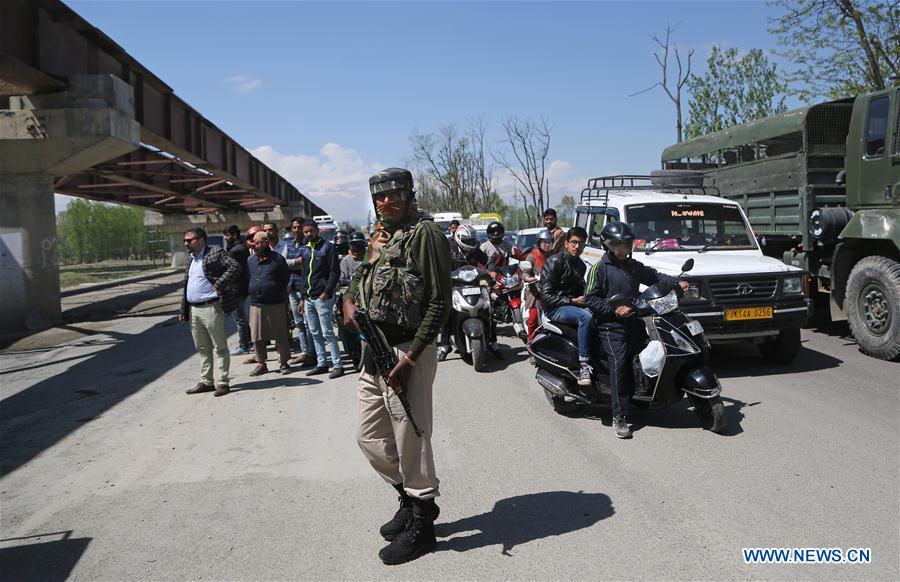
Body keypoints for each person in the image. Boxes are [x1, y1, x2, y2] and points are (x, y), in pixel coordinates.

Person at [343, 167, 451, 565]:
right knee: (369, 437)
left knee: (412, 438)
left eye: (393, 196)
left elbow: (439, 302)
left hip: (408, 352)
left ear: (409, 195)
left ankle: (423, 523)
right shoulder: (381, 235)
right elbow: (362, 279)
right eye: (379, 198)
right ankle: (409, 499)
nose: (385, 203)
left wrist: (412, 357)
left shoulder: (425, 235)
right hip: (375, 352)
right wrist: (349, 300)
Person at [585, 221, 688, 439]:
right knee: (620, 366)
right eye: (618, 245)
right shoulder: (599, 269)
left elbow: (656, 277)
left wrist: (677, 283)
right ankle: (619, 416)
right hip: (610, 327)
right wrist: (614, 310)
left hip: (635, 323)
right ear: (608, 246)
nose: (624, 248)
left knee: (647, 357)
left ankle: (641, 396)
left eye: (627, 244)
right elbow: (590, 299)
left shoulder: (634, 266)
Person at [179, 227, 240, 397]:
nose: (186, 243)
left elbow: (234, 267)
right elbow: (186, 286)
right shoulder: (190, 259)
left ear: (201, 240)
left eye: (189, 240)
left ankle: (223, 382)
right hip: (194, 310)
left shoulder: (215, 253)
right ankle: (206, 381)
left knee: (219, 346)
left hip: (211, 307)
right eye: (185, 240)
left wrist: (219, 284)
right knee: (202, 348)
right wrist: (183, 309)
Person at [537, 226, 593, 386]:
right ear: (566, 243)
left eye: (581, 243)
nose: (577, 246)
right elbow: (546, 297)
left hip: (571, 306)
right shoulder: (554, 262)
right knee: (585, 317)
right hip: (554, 309)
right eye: (574, 242)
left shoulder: (581, 265)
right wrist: (572, 301)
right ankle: (583, 366)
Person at [298, 219, 344, 379]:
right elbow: (304, 275)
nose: (308, 234)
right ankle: (322, 363)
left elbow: (334, 272)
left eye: (311, 231)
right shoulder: (304, 249)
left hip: (322, 297)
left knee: (327, 333)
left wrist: (326, 292)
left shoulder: (327, 247)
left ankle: (338, 365)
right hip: (309, 298)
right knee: (314, 332)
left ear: (317, 231)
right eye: (306, 232)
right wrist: (303, 297)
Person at [438, 224, 490, 361]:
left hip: (474, 285)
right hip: (454, 286)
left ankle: (493, 342)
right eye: (467, 241)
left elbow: (487, 262)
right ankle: (445, 346)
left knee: (488, 309)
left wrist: (492, 270)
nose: (470, 244)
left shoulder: (475, 251)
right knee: (447, 313)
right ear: (459, 238)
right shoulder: (449, 248)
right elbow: (440, 265)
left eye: (472, 241)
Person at [247, 231, 292, 376]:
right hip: (256, 304)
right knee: (257, 335)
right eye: (256, 242)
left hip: (275, 303)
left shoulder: (278, 259)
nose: (259, 245)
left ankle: (284, 362)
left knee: (280, 334)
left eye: (262, 242)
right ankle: (261, 364)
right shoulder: (250, 260)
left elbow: (285, 279)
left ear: (267, 242)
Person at [282, 217, 315, 368]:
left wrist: (292, 262)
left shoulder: (309, 244)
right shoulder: (288, 245)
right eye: (293, 228)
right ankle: (304, 352)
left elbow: (308, 261)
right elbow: (283, 262)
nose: (296, 230)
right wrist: (296, 262)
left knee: (310, 323)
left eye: (298, 228)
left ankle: (312, 354)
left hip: (307, 289)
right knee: (299, 323)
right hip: (292, 287)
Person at [337, 231, 367, 368]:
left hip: (366, 295)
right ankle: (349, 348)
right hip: (349, 295)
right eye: (355, 245)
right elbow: (342, 277)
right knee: (340, 318)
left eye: (360, 244)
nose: (357, 248)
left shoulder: (369, 257)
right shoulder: (346, 260)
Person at [223, 225, 252, 356]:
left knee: (240, 319)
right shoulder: (241, 247)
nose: (225, 237)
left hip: (237, 289)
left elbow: (228, 270)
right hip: (243, 288)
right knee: (243, 318)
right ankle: (248, 342)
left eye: (227, 235)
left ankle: (243, 345)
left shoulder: (235, 250)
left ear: (234, 235)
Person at [522, 229, 555, 343]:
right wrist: (530, 278)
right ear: (539, 243)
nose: (547, 244)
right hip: (535, 292)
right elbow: (525, 273)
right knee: (533, 318)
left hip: (552, 291)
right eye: (544, 242)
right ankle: (530, 343)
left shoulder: (554, 255)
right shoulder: (532, 256)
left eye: (549, 241)